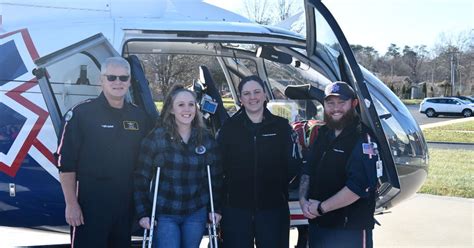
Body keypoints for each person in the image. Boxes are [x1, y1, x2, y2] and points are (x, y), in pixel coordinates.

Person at [57, 57, 151, 247]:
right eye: (112, 77)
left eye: (123, 78)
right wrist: (71, 204)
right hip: (89, 206)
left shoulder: (139, 116)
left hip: (125, 207)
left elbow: (150, 156)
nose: (118, 82)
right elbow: (66, 164)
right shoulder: (81, 114)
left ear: (130, 81)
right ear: (101, 80)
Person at [134, 84, 222, 248]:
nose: (187, 109)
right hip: (165, 210)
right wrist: (143, 213)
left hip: (196, 210)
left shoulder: (206, 139)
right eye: (181, 104)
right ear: (172, 110)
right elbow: (141, 178)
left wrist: (215, 209)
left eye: (191, 104)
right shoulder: (156, 138)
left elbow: (215, 178)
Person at [217, 75, 300, 248]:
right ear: (240, 99)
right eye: (246, 93)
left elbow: (293, 165)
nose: (252, 97)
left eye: (256, 92)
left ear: (264, 95)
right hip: (235, 210)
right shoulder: (228, 129)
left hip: (273, 209)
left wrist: (280, 189)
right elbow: (218, 169)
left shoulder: (281, 127)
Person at [298, 81, 378, 248]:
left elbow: (358, 187)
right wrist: (303, 200)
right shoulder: (322, 133)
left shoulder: (363, 138)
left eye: (342, 102)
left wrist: (321, 208)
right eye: (330, 103)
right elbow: (308, 170)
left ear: (354, 103)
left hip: (349, 230)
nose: (336, 108)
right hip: (319, 226)